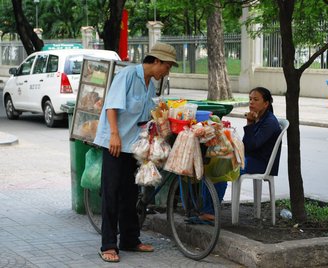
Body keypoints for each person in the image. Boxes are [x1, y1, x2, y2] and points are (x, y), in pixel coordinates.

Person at [93, 42, 178, 263]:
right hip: (115, 142)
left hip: (133, 145)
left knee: (130, 193)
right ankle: (108, 245)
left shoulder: (150, 85)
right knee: (112, 192)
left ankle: (130, 239)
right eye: (167, 67)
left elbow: (145, 117)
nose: (167, 72)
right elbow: (111, 106)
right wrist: (114, 134)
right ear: (156, 61)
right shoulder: (129, 75)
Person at [199, 87, 281, 223]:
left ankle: (211, 211)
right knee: (213, 162)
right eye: (250, 99)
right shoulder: (259, 118)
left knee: (223, 167)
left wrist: (249, 124)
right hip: (250, 158)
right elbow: (246, 146)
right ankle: (206, 208)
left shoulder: (269, 122)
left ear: (266, 103)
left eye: (256, 100)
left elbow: (252, 146)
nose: (251, 103)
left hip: (261, 163)